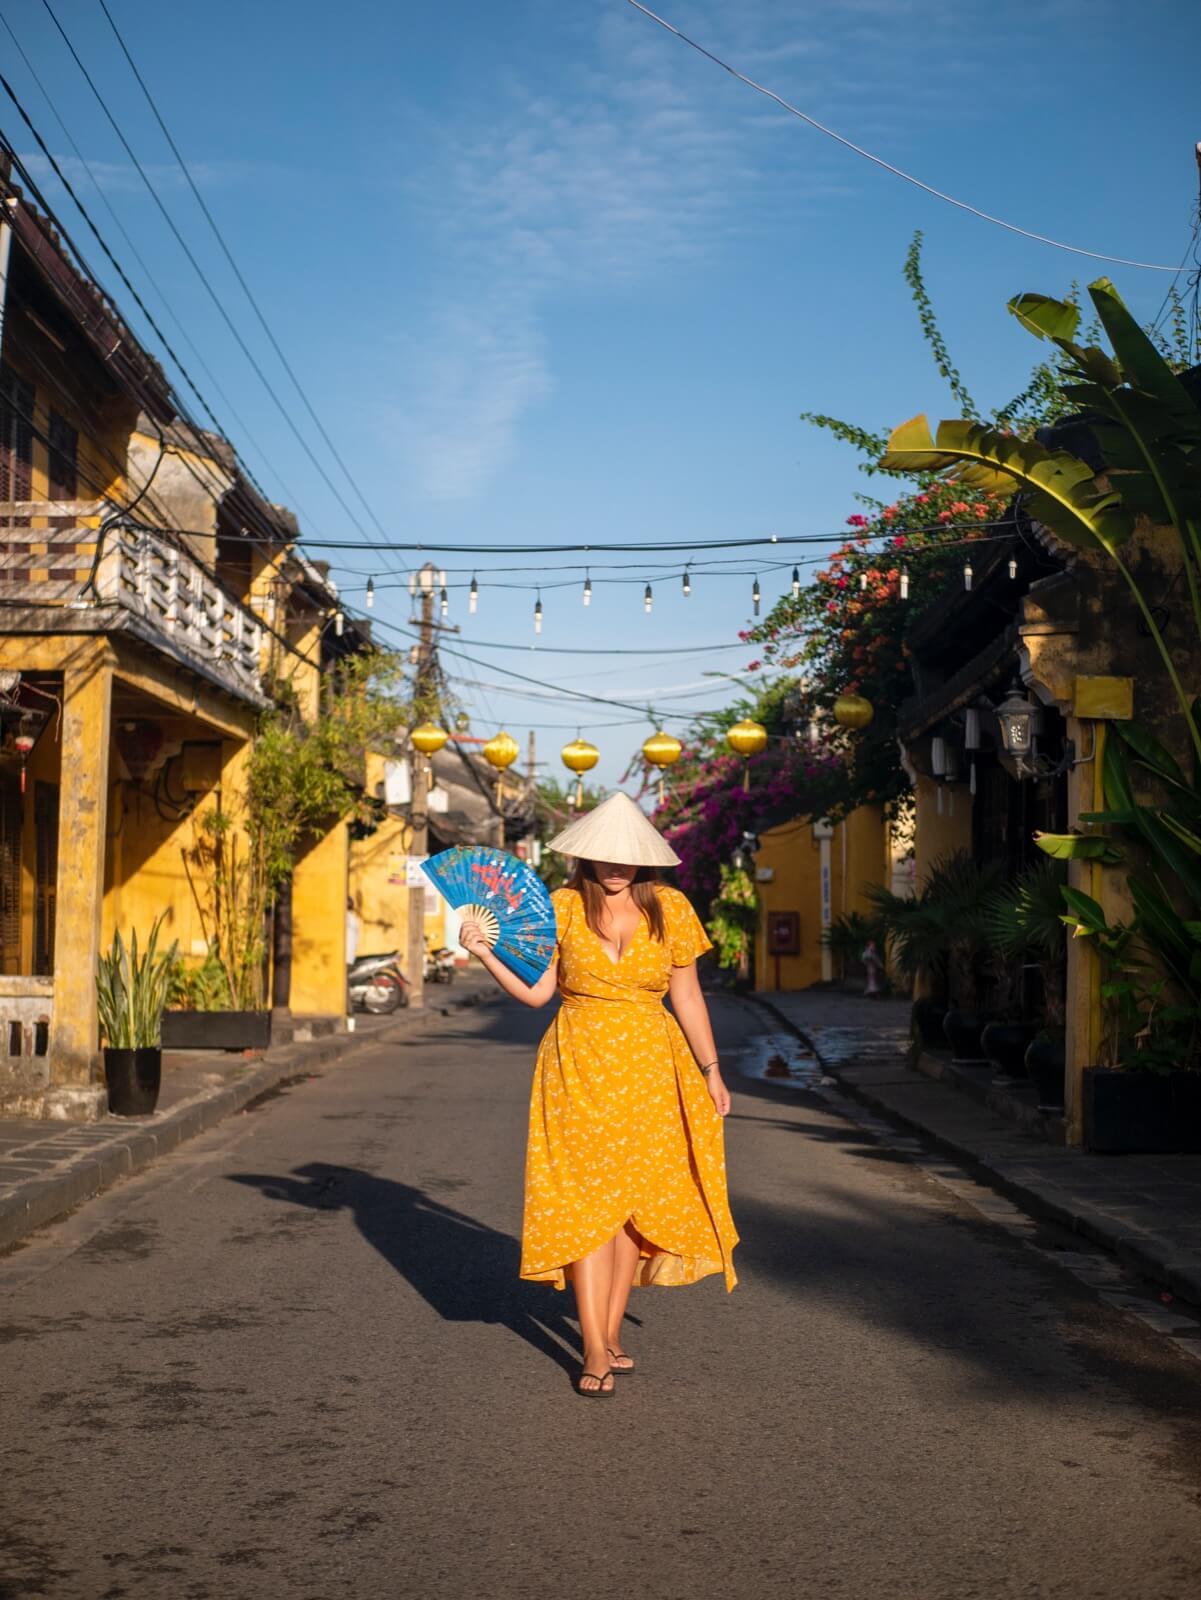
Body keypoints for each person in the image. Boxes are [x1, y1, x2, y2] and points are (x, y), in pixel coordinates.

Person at [459, 790, 739, 1399]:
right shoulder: (560, 907)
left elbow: (687, 997)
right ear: (584, 857)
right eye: (605, 856)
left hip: (652, 1069)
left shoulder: (671, 908)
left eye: (628, 856)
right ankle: (593, 1349)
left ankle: (609, 1335)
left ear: (645, 859)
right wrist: (485, 953)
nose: (616, 867)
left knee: (630, 1210)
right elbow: (538, 995)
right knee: (584, 1207)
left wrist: (711, 1069)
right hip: (576, 1066)